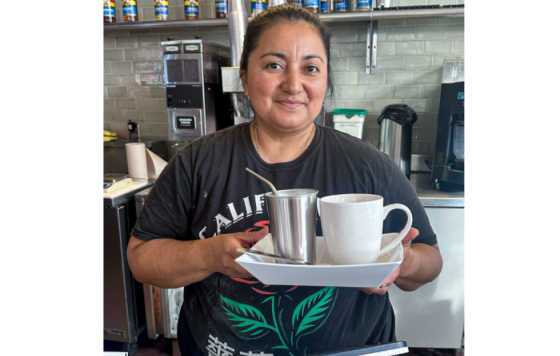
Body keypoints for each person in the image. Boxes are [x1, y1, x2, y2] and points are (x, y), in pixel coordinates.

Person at [127, 4, 443, 356]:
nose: (293, 85)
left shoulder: (368, 164)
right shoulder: (198, 162)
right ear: (244, 77)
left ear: (325, 81)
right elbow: (142, 259)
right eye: (274, 65)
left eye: (310, 68)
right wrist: (208, 255)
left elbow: (430, 259)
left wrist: (404, 262)